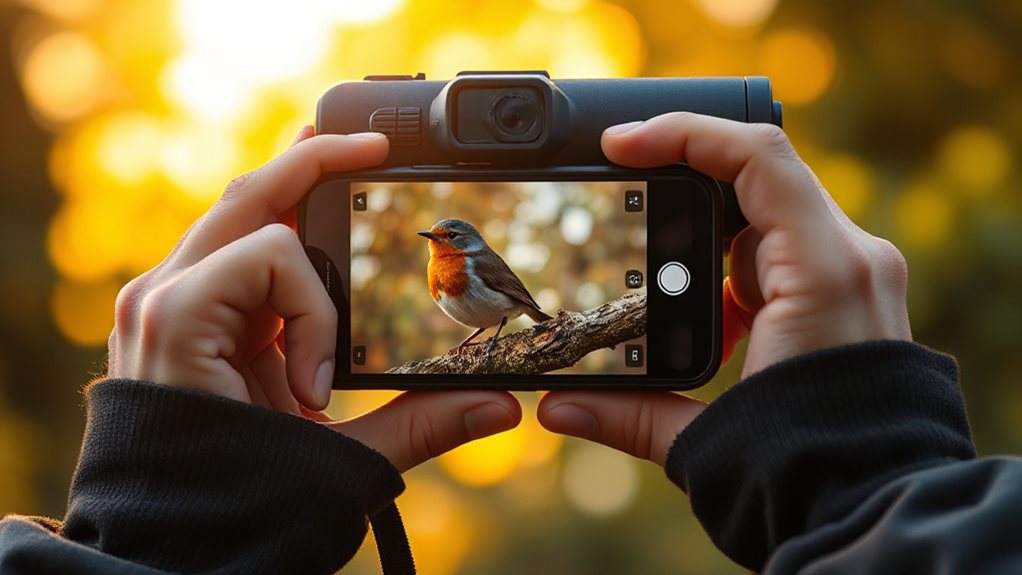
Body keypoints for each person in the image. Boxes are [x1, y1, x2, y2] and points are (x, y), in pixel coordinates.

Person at [0, 112, 1010, 574]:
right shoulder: (445, 267)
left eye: (451, 237)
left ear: (468, 248)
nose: (443, 246)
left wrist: (159, 543)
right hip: (483, 337)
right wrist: (873, 491)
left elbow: (500, 298)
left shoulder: (479, 273)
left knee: (498, 331)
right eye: (440, 238)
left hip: (515, 323)